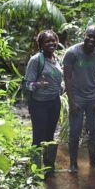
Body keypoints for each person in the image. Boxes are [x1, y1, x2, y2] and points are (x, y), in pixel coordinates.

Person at [63, 25, 95, 173]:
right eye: (89, 35)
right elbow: (67, 78)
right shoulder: (72, 53)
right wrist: (72, 101)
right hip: (76, 96)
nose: (92, 39)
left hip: (92, 97)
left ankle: (94, 163)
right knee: (75, 131)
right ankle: (73, 164)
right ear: (84, 34)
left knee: (94, 132)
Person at [25, 30, 62, 175]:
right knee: (38, 137)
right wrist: (37, 85)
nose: (51, 43)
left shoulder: (56, 58)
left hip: (54, 102)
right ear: (41, 44)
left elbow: (59, 78)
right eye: (47, 41)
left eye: (53, 40)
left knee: (50, 136)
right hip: (39, 104)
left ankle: (49, 168)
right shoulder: (36, 60)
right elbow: (27, 85)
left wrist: (62, 86)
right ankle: (35, 170)